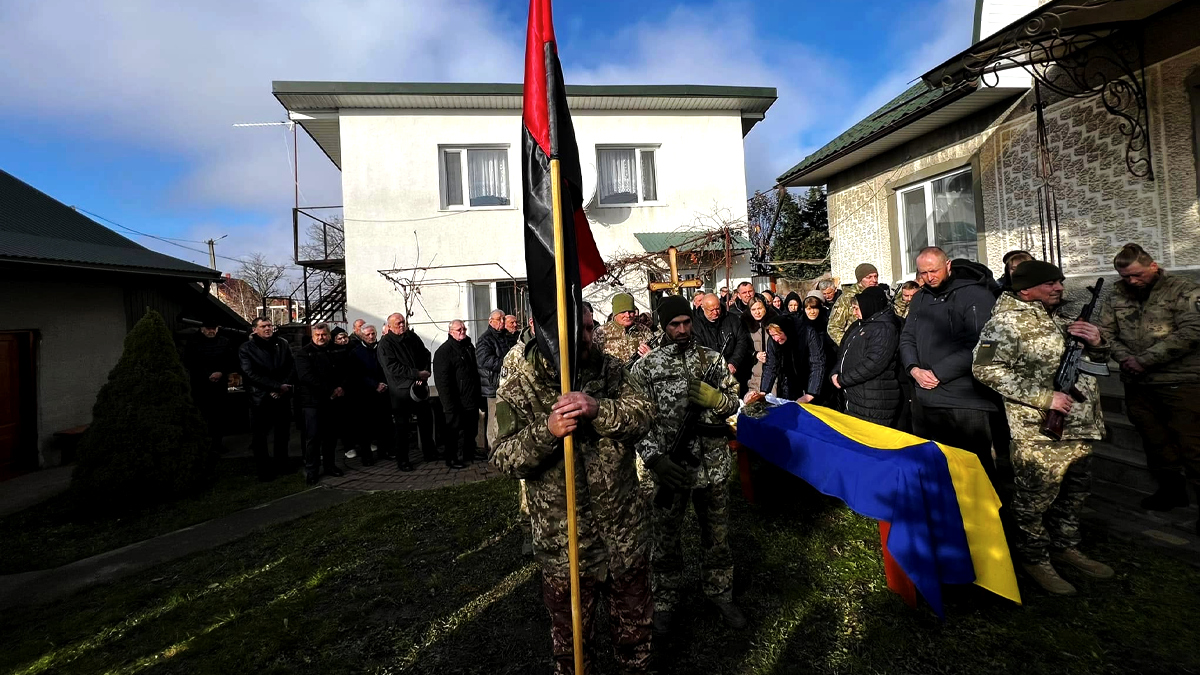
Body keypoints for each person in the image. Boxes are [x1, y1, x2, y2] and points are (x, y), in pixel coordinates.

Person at [491, 303, 655, 674]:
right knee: (572, 648)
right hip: (565, 544)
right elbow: (503, 457)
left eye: (589, 327)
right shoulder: (522, 384)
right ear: (548, 332)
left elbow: (645, 414)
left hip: (623, 534)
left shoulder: (610, 370)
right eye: (576, 329)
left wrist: (599, 409)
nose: (586, 337)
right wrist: (546, 432)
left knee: (636, 635)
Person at [973, 260, 1115, 595]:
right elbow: (984, 368)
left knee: (1074, 493)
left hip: (1079, 426)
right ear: (1025, 290)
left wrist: (1098, 342)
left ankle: (1066, 546)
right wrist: (1044, 398)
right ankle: (1033, 557)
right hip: (1038, 431)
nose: (1059, 288)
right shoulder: (1003, 324)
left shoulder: (1064, 320)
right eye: (1050, 283)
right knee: (1034, 499)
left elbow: (1096, 363)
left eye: (1059, 282)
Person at [631, 295, 746, 633]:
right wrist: (655, 459)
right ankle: (665, 600)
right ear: (663, 327)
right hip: (671, 467)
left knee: (718, 536)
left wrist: (718, 399)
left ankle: (720, 592)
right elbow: (636, 420)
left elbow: (734, 402)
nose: (682, 330)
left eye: (685, 323)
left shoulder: (712, 359)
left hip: (713, 466)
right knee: (665, 539)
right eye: (674, 325)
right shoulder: (647, 368)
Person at [1096, 243, 1200, 522]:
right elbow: (1105, 333)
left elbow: (1193, 330)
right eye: (1125, 276)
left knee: (1193, 444)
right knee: (1155, 441)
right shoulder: (1116, 294)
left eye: (1137, 275)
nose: (1131, 281)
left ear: (1153, 266)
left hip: (1181, 381)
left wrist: (1145, 360)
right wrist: (1126, 359)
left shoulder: (1183, 290)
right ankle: (1171, 491)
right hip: (1138, 384)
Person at [899, 247, 1000, 481]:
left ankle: (984, 506)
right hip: (926, 396)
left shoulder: (976, 295)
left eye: (933, 271)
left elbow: (984, 344)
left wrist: (938, 373)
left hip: (965, 400)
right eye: (923, 273)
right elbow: (907, 337)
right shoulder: (920, 298)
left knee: (974, 469)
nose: (929, 277)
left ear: (948, 265)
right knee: (935, 468)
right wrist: (913, 369)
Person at [831, 288, 902, 426]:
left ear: (868, 305)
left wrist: (842, 379)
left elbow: (873, 364)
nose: (854, 313)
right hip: (857, 396)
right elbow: (845, 352)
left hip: (873, 399)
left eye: (856, 308)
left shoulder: (884, 328)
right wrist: (835, 372)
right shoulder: (862, 325)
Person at [239, 317, 295, 481]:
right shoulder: (246, 348)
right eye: (263, 326)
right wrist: (275, 387)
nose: (268, 328)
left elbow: (291, 366)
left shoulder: (282, 344)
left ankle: (282, 464)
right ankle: (264, 470)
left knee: (282, 433)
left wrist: (283, 387)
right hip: (261, 397)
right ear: (254, 330)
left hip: (282, 395)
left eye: (270, 325)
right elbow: (249, 373)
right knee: (260, 437)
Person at [378, 312, 434, 471]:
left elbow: (425, 354)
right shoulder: (385, 344)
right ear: (389, 326)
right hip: (400, 392)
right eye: (398, 323)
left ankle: (429, 452)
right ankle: (402, 460)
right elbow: (392, 368)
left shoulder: (412, 337)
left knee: (426, 420)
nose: (402, 325)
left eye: (403, 322)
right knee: (402, 427)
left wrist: (424, 373)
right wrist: (416, 374)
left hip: (418, 387)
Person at [295, 323, 348, 485]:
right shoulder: (304, 353)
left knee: (331, 436)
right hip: (313, 401)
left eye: (324, 334)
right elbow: (306, 376)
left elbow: (347, 371)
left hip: (334, 400)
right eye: (317, 335)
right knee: (313, 438)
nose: (321, 338)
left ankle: (330, 465)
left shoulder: (338, 350)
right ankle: (312, 470)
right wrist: (331, 389)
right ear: (312, 336)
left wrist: (341, 387)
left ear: (329, 335)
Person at [182, 320, 235, 454]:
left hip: (219, 385)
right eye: (208, 328)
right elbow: (190, 361)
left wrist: (221, 372)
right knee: (201, 414)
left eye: (214, 328)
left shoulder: (225, 341)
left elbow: (230, 360)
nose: (211, 331)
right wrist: (207, 374)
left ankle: (217, 444)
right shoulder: (193, 342)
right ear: (202, 329)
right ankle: (202, 444)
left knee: (218, 416)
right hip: (200, 385)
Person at [433, 320, 480, 470]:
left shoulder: (468, 346)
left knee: (471, 428)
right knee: (453, 431)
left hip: (470, 396)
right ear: (450, 332)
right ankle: (451, 458)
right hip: (455, 399)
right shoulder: (444, 351)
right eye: (459, 329)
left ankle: (469, 452)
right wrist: (448, 404)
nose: (462, 331)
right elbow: (442, 381)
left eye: (464, 328)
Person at [347, 324, 392, 465]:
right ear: (362, 336)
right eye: (368, 334)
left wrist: (384, 383)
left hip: (383, 392)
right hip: (365, 394)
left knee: (384, 424)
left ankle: (384, 451)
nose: (371, 337)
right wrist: (374, 385)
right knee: (365, 427)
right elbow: (357, 374)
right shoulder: (356, 352)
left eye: (373, 333)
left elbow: (388, 368)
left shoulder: (382, 349)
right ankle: (366, 455)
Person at [759, 315, 826, 403]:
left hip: (811, 381)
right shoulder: (773, 341)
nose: (775, 339)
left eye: (777, 334)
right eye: (772, 335)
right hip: (788, 383)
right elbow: (771, 366)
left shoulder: (808, 333)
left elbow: (817, 363)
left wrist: (811, 393)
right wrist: (764, 391)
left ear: (785, 330)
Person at [693, 293, 752, 394]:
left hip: (734, 370)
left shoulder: (732, 319)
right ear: (703, 308)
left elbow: (741, 341)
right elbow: (698, 349)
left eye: (718, 308)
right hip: (710, 374)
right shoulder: (695, 325)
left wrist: (734, 362)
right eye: (711, 310)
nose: (715, 312)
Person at [477, 309, 512, 456]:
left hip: (506, 383)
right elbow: (484, 360)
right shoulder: (485, 339)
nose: (502, 322)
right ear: (491, 321)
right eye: (499, 319)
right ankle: (492, 451)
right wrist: (506, 364)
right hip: (493, 386)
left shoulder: (505, 337)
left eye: (504, 319)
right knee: (494, 420)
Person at [595, 293, 654, 367]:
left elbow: (656, 355)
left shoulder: (644, 331)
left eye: (630, 311)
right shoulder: (601, 332)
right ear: (615, 313)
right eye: (623, 312)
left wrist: (650, 355)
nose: (628, 315)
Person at [828, 264, 879, 345]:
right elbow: (833, 327)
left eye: (876, 276)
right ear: (860, 279)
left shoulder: (879, 295)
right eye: (869, 277)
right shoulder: (847, 297)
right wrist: (849, 344)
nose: (874, 280)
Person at [740, 294, 775, 393]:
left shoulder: (775, 323)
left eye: (759, 308)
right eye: (753, 309)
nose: (757, 312)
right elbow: (742, 347)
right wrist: (754, 354)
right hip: (753, 372)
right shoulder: (744, 325)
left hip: (772, 372)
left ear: (765, 308)